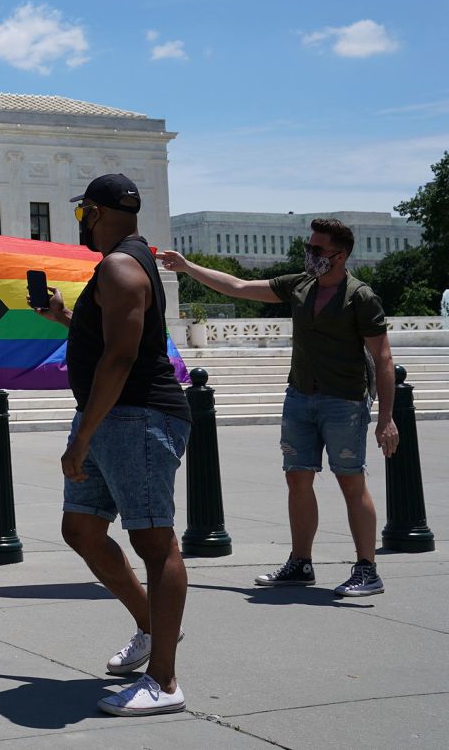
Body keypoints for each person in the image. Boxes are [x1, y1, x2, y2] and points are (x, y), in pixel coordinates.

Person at [159, 219, 397, 597]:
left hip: (344, 402)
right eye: (309, 247)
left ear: (340, 255)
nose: (309, 254)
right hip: (300, 397)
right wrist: (188, 267)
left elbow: (382, 358)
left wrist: (386, 418)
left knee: (351, 480)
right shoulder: (299, 285)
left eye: (317, 250)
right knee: (296, 478)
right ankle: (300, 563)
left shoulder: (360, 297)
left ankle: (367, 568)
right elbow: (237, 287)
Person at [31, 174, 191, 717]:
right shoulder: (130, 261)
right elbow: (116, 337)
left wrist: (83, 435)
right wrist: (64, 318)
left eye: (82, 214)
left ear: (93, 213)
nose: (81, 223)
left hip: (135, 417)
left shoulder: (120, 267)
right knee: (80, 528)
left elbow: (122, 359)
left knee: (155, 543)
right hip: (116, 417)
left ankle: (164, 681)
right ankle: (152, 627)